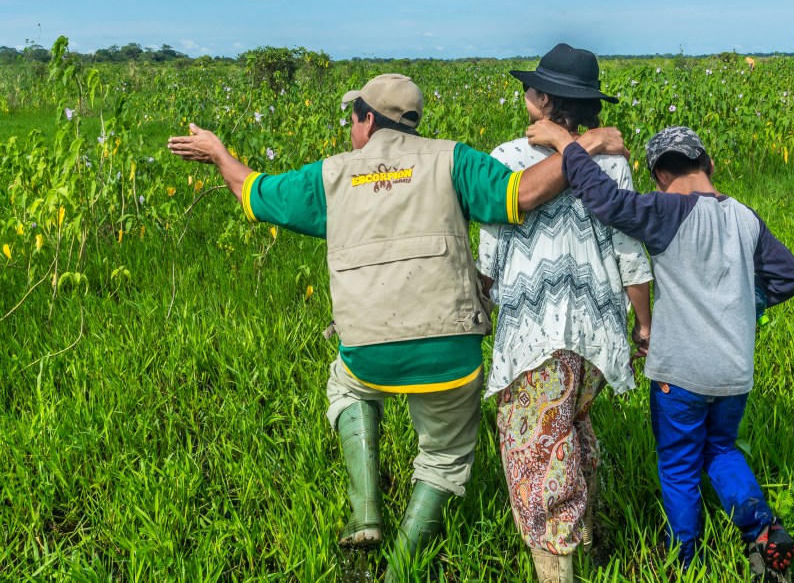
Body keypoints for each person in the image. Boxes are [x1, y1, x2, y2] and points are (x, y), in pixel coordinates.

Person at [167, 73, 626, 581]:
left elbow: (254, 194)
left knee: (345, 385)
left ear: (366, 119)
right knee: (445, 456)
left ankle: (366, 513)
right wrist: (581, 143)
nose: (350, 128)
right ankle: (401, 570)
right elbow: (524, 192)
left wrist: (217, 152)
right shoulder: (454, 160)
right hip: (449, 357)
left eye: (352, 118)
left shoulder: (333, 175)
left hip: (368, 351)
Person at [526, 122, 794, 582]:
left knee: (678, 466)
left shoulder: (666, 211)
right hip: (734, 372)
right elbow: (789, 277)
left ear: (658, 177)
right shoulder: (746, 218)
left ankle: (687, 560)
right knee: (720, 449)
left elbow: (605, 199)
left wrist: (565, 143)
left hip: (680, 372)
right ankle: (762, 531)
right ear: (708, 164)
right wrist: (741, 306)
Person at [477, 43, 653, 583]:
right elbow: (630, 253)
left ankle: (559, 571)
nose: (525, 96)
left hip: (535, 334)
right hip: (598, 334)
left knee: (536, 456)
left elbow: (490, 248)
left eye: (531, 89)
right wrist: (644, 323)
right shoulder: (613, 164)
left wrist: (478, 299)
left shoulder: (506, 159)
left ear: (545, 101)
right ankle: (594, 540)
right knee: (572, 432)